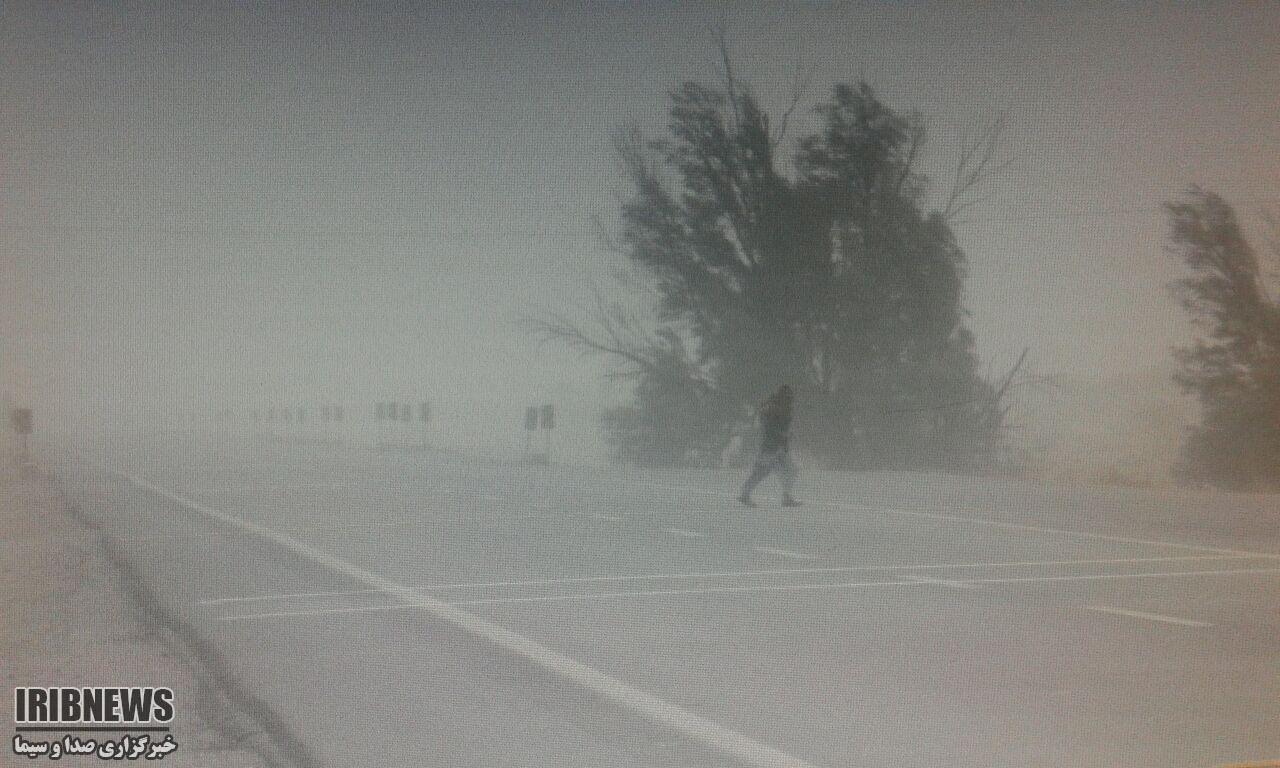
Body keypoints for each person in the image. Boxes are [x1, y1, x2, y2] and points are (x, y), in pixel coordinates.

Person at [738, 385, 801, 507]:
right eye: (789, 397)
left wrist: (785, 436)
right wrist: (783, 435)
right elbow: (769, 428)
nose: (791, 401)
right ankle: (745, 494)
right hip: (770, 447)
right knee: (763, 471)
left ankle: (786, 497)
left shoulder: (778, 408)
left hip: (778, 447)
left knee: (790, 470)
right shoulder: (773, 409)